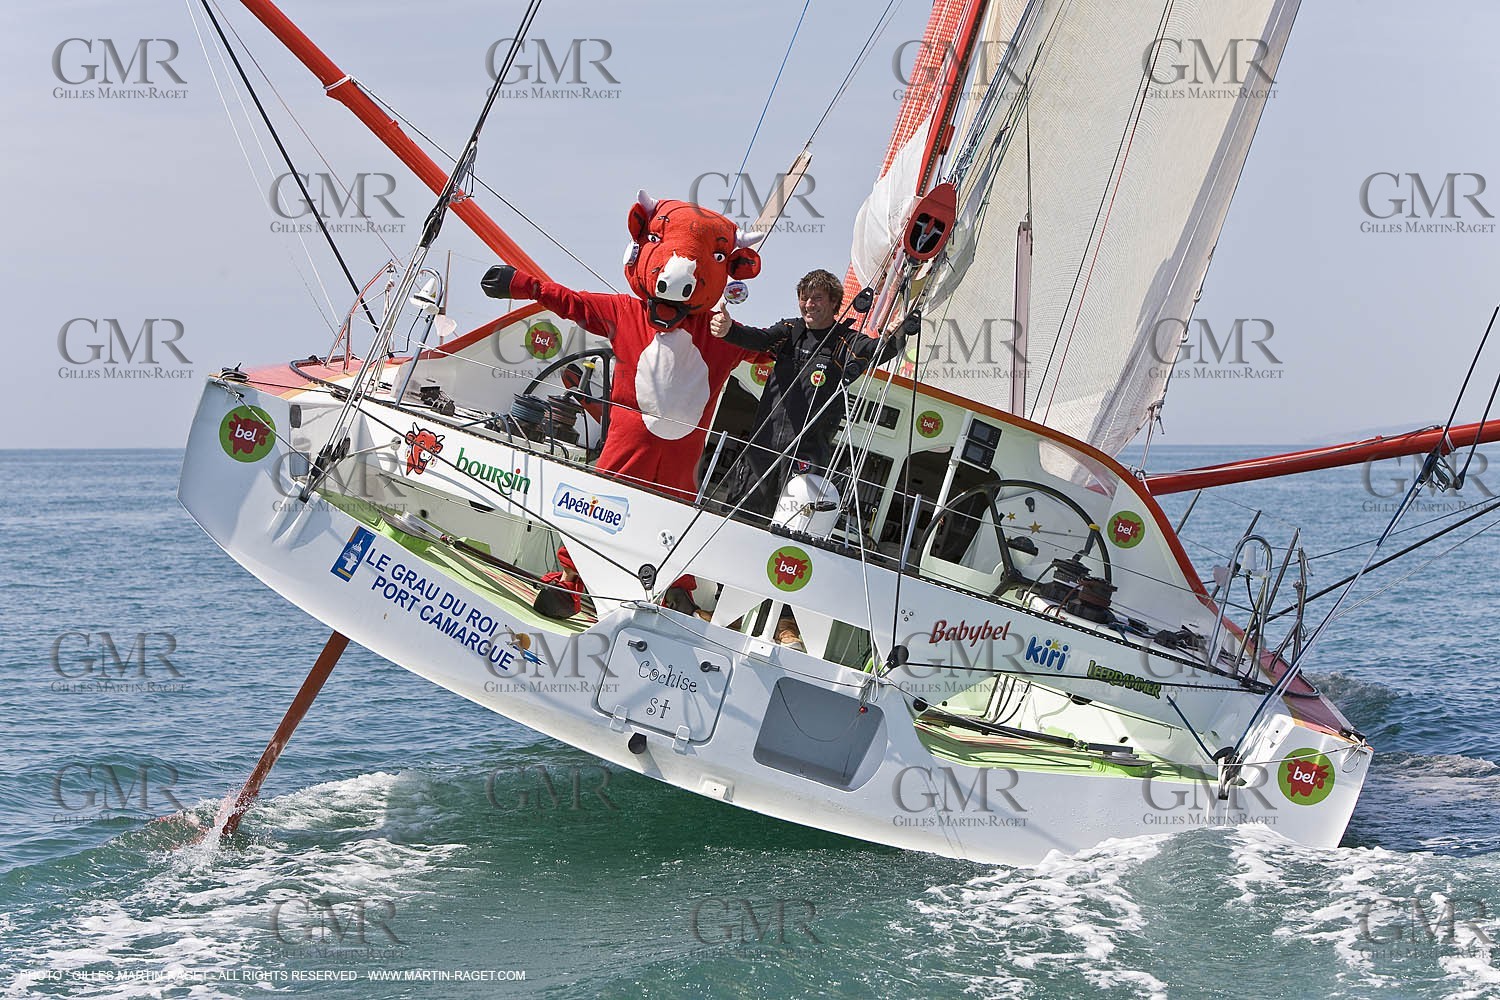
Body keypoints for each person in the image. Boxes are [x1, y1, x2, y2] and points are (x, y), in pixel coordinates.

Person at [709, 269, 906, 518]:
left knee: (790, 526)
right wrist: (729, 330)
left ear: (835, 302)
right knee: (739, 518)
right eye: (804, 298)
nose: (808, 305)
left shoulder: (845, 341)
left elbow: (875, 350)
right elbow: (759, 339)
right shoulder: (790, 331)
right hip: (763, 448)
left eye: (817, 298)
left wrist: (894, 337)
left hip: (806, 458)